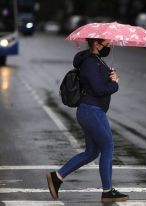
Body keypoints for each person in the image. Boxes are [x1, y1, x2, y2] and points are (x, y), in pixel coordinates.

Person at [46, 38, 129, 203]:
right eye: (107, 44)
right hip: (92, 112)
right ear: (97, 44)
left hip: (93, 112)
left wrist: (110, 76)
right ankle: (107, 191)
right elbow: (98, 90)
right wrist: (115, 84)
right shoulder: (90, 62)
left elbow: (96, 84)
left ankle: (57, 177)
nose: (109, 46)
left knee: (91, 152)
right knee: (107, 146)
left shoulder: (96, 61)